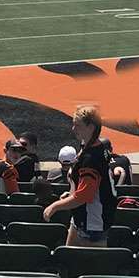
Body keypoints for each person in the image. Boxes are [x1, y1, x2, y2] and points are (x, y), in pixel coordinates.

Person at [42, 106, 117, 248]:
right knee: (68, 261)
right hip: (83, 218)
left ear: (90, 127)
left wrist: (54, 207)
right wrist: (71, 193)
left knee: (86, 268)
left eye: (77, 125)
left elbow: (84, 196)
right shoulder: (95, 146)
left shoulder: (91, 158)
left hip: (92, 223)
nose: (73, 129)